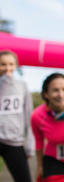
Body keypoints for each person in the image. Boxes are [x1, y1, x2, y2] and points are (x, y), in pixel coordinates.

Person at [0, 50, 34, 182]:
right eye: (3, 64)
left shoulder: (22, 86)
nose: (7, 68)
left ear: (16, 65)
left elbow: (28, 115)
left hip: (14, 141)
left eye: (11, 64)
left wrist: (30, 143)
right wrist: (3, 84)